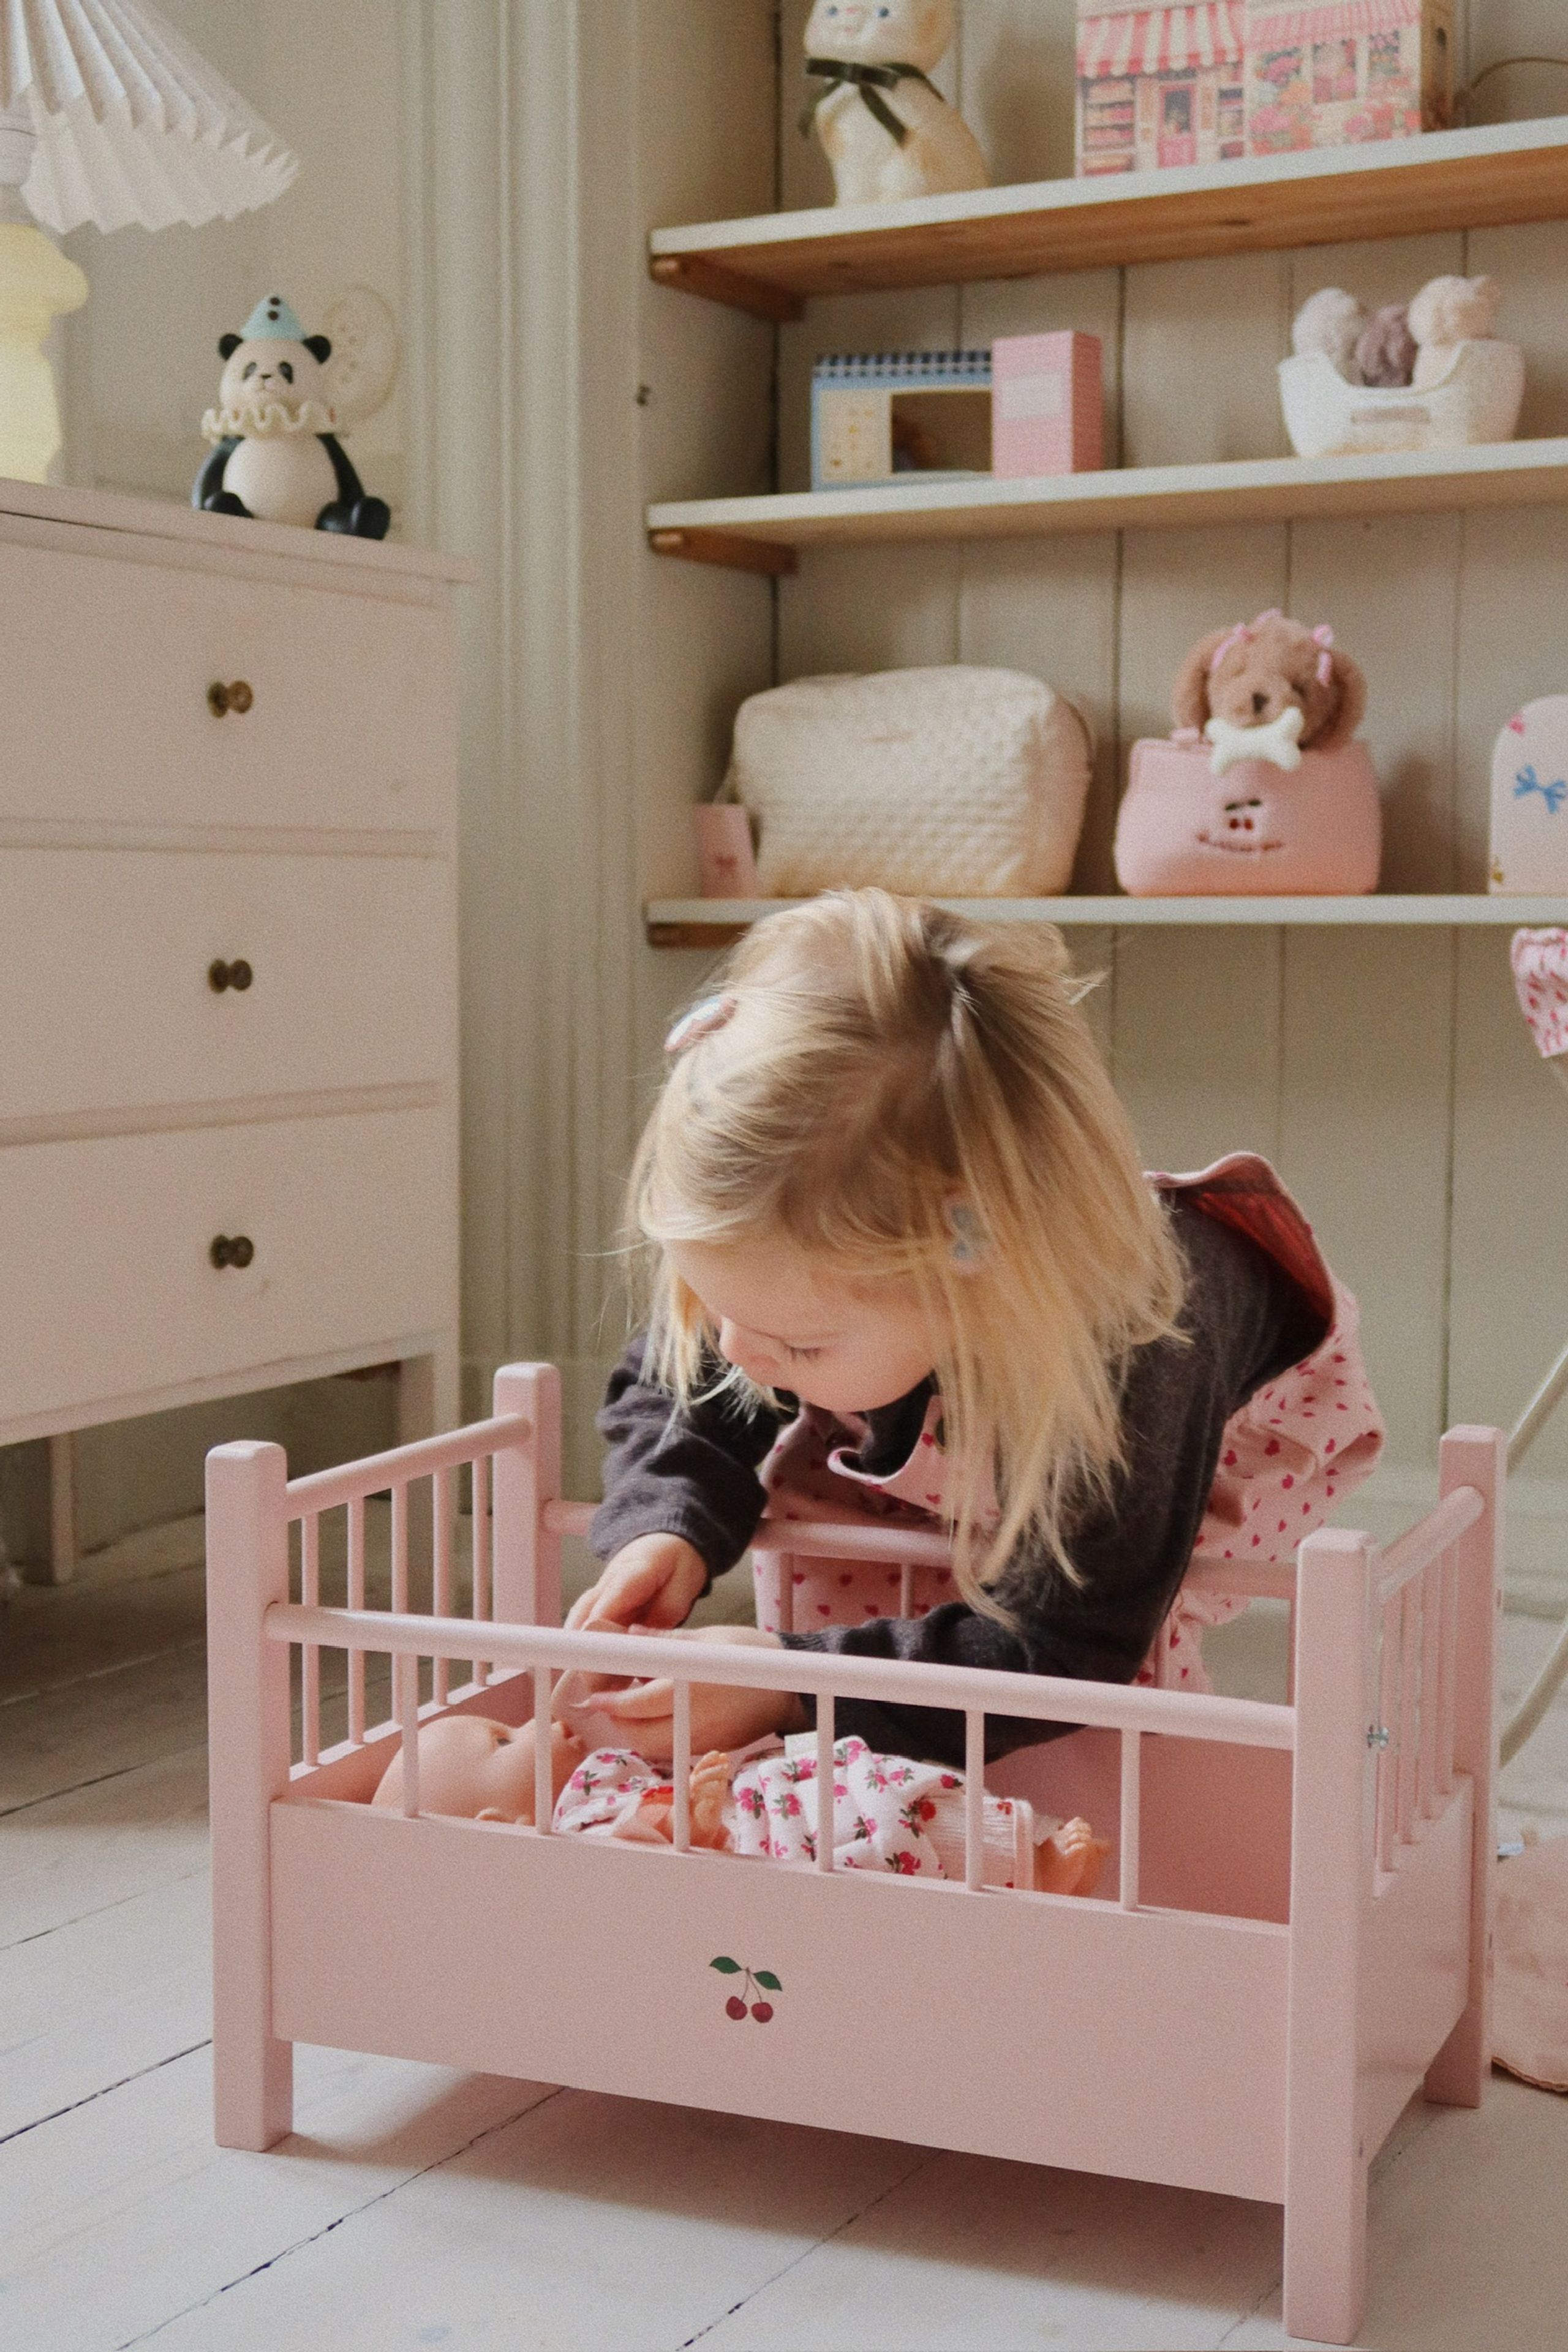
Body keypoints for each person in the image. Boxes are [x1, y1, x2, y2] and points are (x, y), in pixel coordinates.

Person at [568, 889, 1384, 1768]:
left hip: (1165, 1455)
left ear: (971, 1280)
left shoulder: (1139, 1348)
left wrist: (791, 1683)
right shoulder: (791, 1285)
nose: (735, 1349)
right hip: (937, 1398)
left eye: (796, 1343)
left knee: (1084, 1731)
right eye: (711, 1303)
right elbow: (684, 1383)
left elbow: (1066, 1650)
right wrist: (668, 1525)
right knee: (863, 1625)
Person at [369, 1709, 1110, 1895]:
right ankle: (1036, 1870)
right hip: (778, 1841)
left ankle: (1027, 1851)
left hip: (771, 1801)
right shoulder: (572, 1833)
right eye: (505, 1741)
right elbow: (636, 1858)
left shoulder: (599, 1781)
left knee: (874, 1781)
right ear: (495, 1830)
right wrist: (681, 1823)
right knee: (873, 1824)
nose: (534, 1720)